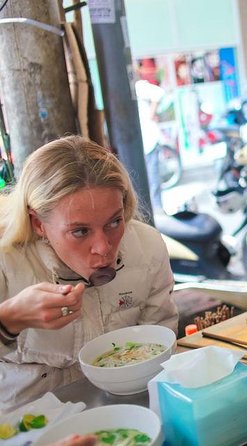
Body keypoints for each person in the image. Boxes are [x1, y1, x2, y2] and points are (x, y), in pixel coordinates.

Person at [0, 136, 178, 412]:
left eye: (114, 222)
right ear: (38, 224)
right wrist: (8, 321)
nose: (103, 247)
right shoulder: (6, 261)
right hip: (26, 426)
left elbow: (159, 339)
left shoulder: (146, 248)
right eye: (80, 231)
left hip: (124, 410)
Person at [135, 78, 166, 212]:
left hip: (148, 140)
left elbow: (159, 93)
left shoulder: (138, 86)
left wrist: (151, 114)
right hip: (141, 141)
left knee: (152, 177)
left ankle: (157, 209)